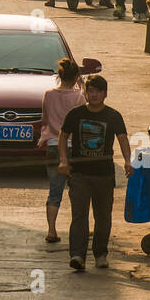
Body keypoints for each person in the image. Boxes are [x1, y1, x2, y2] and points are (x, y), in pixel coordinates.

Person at [58, 75, 133, 271]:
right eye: (90, 91)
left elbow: (123, 139)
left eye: (98, 92)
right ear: (86, 93)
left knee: (103, 217)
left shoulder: (113, 116)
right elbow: (63, 136)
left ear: (105, 94)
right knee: (79, 216)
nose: (94, 95)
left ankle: (100, 254)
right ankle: (77, 255)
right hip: (79, 175)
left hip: (104, 175)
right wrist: (64, 160)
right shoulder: (75, 114)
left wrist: (127, 161)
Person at [38, 57, 85, 244]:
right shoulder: (79, 97)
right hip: (74, 148)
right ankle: (79, 228)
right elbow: (82, 123)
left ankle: (51, 230)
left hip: (52, 145)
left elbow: (45, 120)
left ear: (59, 75)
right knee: (78, 191)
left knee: (54, 191)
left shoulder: (48, 95)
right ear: (76, 78)